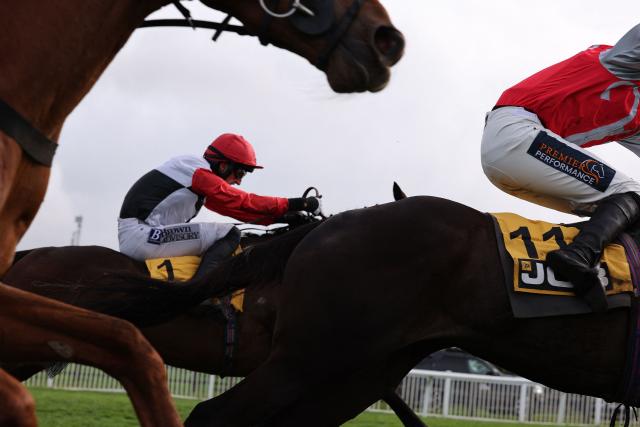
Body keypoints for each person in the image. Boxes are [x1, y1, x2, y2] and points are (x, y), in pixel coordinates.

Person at [481, 24, 640, 312]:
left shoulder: (636, 117)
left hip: (525, 157)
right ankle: (577, 256)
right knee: (631, 193)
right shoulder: (622, 62)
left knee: (628, 212)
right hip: (517, 133)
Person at [118, 133, 321, 280]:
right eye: (239, 173)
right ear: (223, 165)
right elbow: (243, 200)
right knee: (229, 234)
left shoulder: (197, 179)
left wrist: (284, 218)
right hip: (143, 235)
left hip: (144, 234)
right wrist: (299, 203)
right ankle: (199, 291)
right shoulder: (197, 170)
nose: (239, 181)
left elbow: (239, 211)